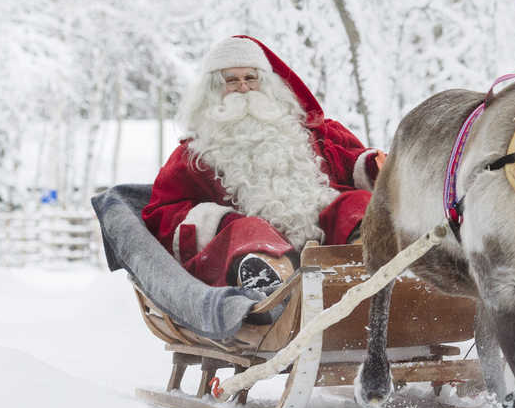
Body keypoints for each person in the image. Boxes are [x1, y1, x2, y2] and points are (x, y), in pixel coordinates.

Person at [142, 36, 384, 292]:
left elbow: (354, 161)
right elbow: (163, 212)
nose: (244, 88)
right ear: (213, 90)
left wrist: (379, 167)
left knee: (356, 204)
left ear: (267, 84)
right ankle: (273, 285)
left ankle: (367, 262)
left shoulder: (310, 132)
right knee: (246, 230)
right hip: (252, 251)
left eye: (251, 78)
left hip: (329, 240)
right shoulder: (194, 154)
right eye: (231, 81)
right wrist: (221, 222)